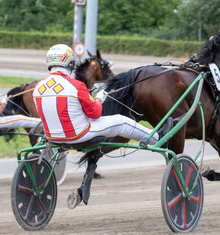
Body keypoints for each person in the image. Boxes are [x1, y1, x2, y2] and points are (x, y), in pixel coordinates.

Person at [33, 44, 173, 208]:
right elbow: (95, 113)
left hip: (53, 137)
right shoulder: (77, 86)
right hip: (80, 134)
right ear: (70, 64)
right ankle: (157, 137)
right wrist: (99, 98)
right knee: (121, 121)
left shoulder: (38, 88)